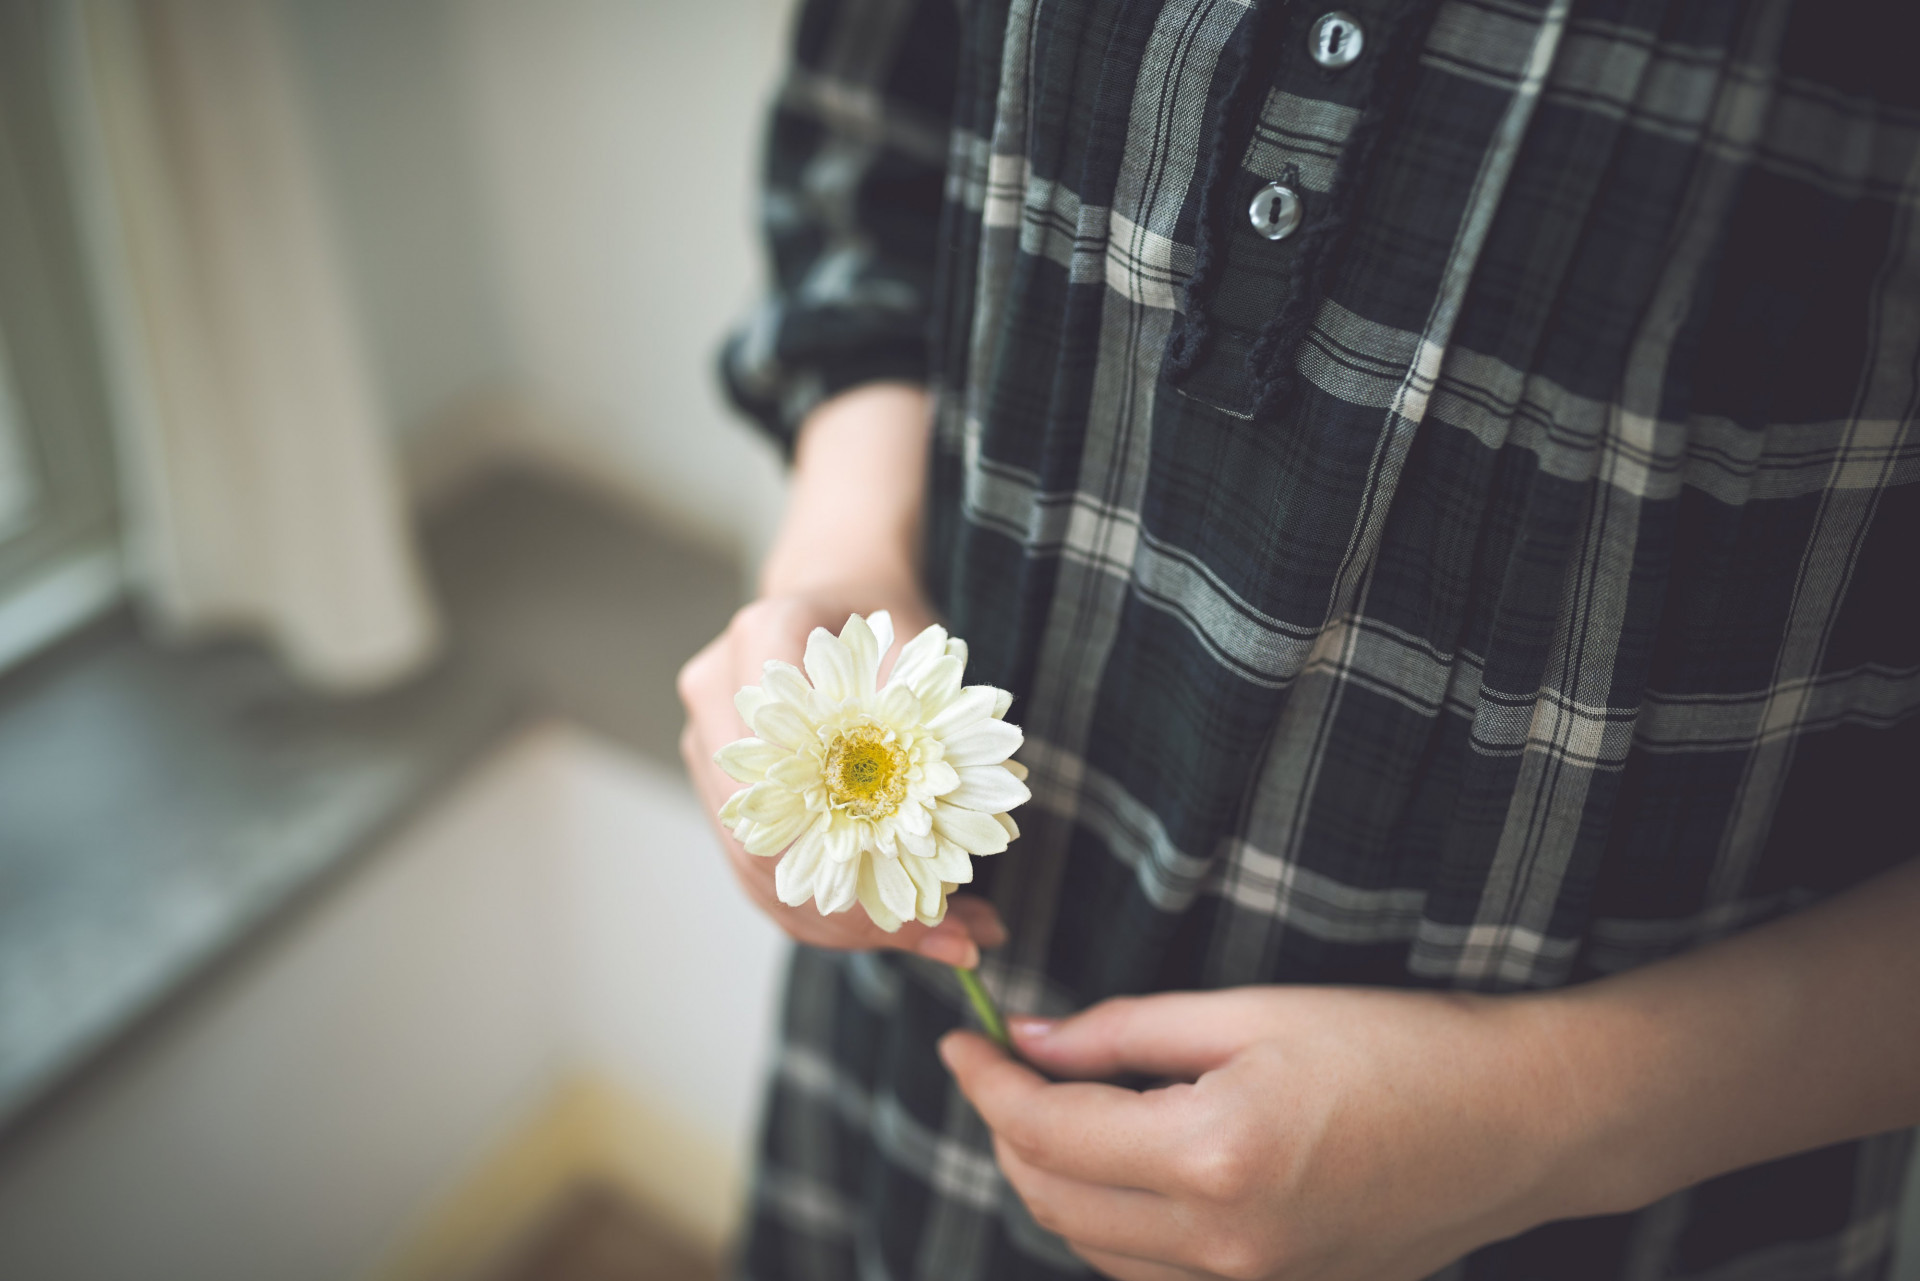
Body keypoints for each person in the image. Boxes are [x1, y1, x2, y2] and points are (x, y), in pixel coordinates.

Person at [676, 0, 1920, 1276]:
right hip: (928, 1006)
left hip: (1598, 1193)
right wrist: (840, 559)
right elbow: (876, 130)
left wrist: (1548, 1118)